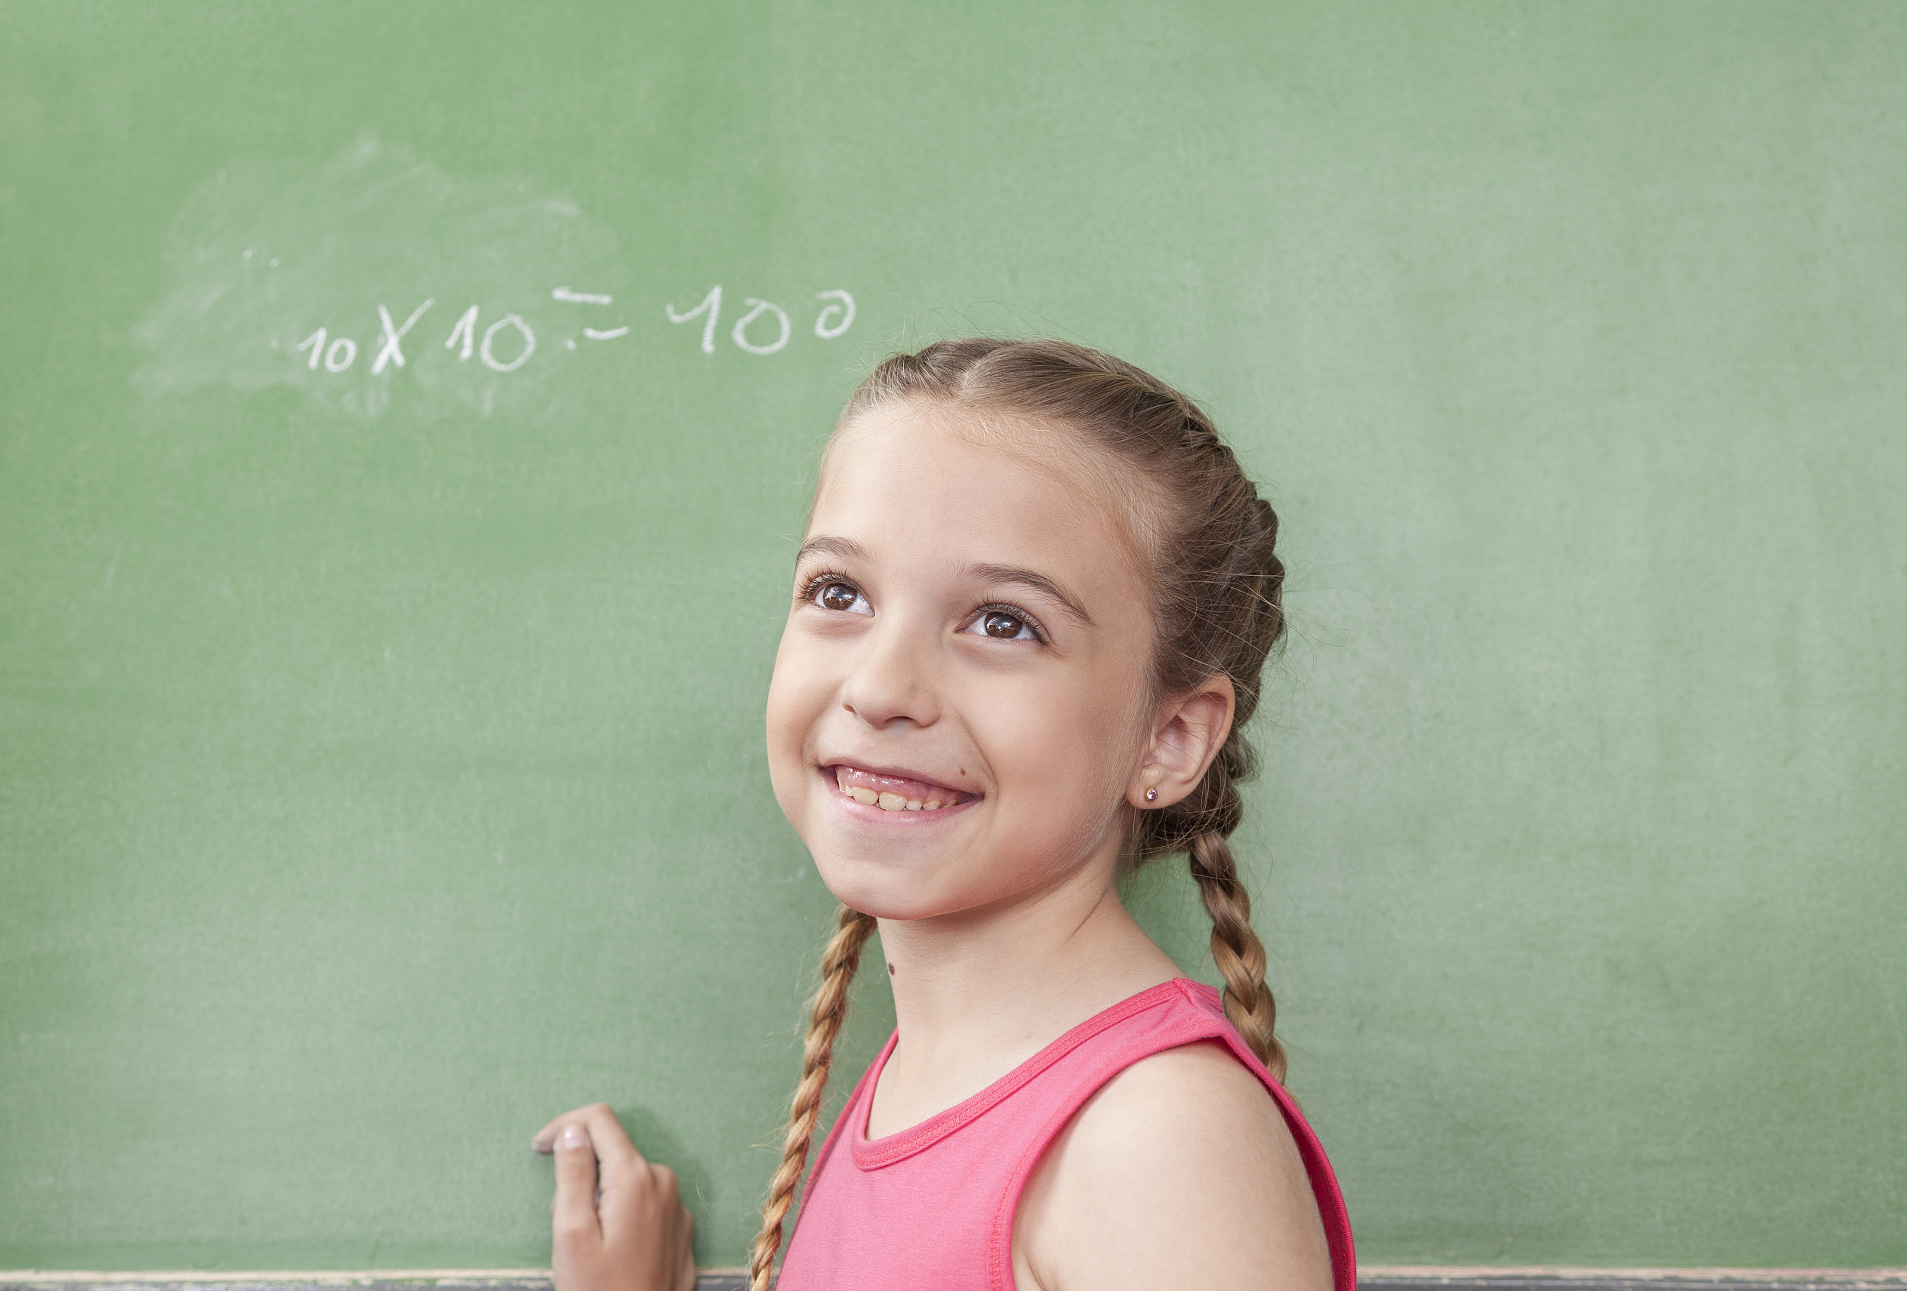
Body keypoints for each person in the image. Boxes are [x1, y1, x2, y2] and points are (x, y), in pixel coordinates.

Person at [533, 339, 1355, 1291]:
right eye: (839, 592)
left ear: (1167, 738)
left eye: (1004, 622)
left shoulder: (1155, 1144)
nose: (881, 687)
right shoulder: (919, 1083)